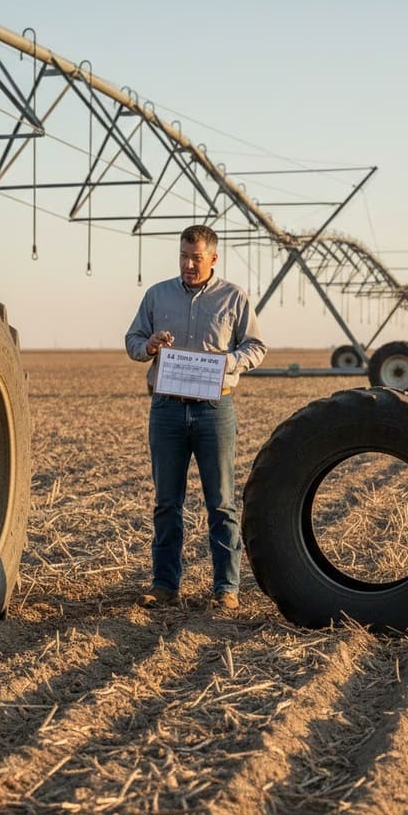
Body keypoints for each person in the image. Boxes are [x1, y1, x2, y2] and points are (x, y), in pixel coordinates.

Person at [125, 225, 267, 610]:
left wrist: (231, 362)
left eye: (196, 258)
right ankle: (164, 585)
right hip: (167, 408)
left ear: (213, 258)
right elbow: (133, 340)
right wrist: (148, 346)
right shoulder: (157, 295)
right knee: (166, 502)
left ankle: (227, 588)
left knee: (220, 502)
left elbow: (256, 346)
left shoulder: (234, 298)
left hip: (214, 410)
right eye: (183, 257)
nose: (188, 265)